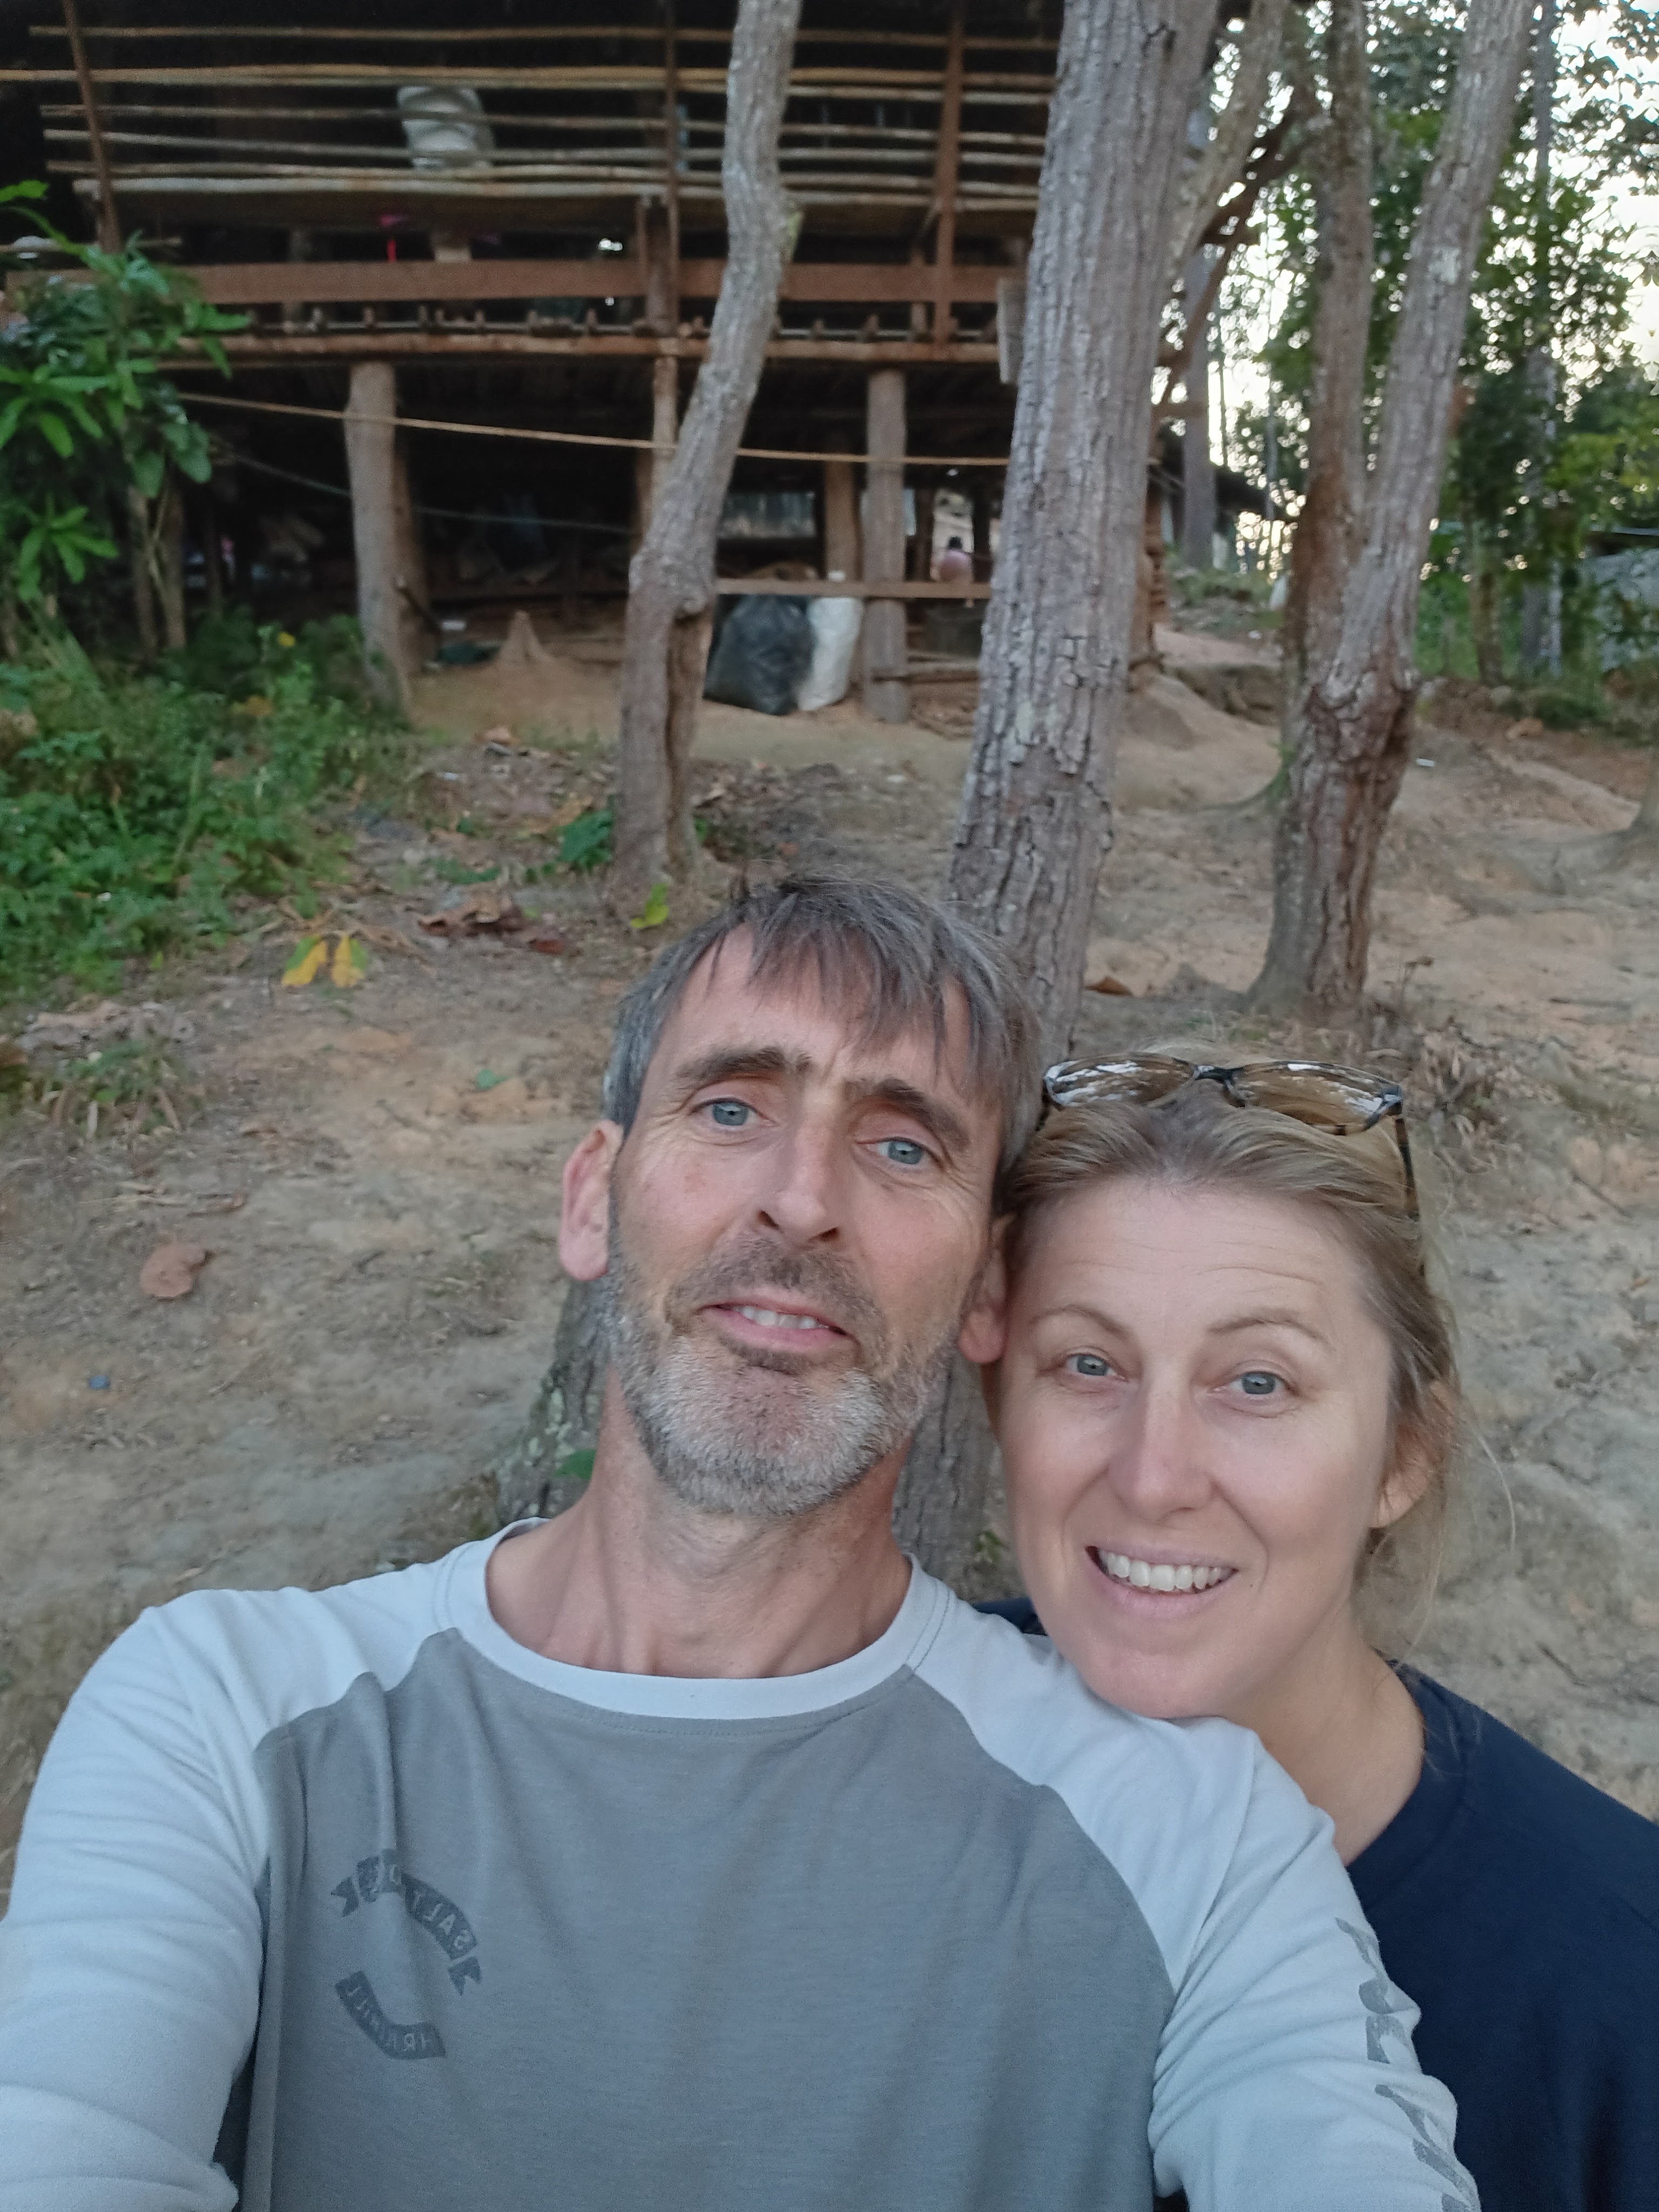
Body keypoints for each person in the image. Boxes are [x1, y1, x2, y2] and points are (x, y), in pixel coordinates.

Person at [0, 885, 1476, 2212]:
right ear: (594, 1198)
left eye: (901, 1144)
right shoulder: (223, 1715)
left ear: (988, 1292)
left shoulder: (1192, 1834)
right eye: (728, 1109)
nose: (803, 1198)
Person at [985, 1054, 1659, 2212]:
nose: (1153, 1476)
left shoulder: (1620, 1984)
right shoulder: (855, 1771)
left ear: (1404, 1453)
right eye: (1088, 1364)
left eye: (1257, 1382)